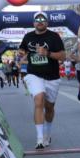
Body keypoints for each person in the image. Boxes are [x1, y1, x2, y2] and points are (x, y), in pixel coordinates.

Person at [18, 12, 66, 150]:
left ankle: (47, 134)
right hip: (34, 75)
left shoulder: (54, 37)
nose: (40, 22)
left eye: (43, 19)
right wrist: (21, 52)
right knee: (38, 99)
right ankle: (39, 138)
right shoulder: (28, 37)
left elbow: (63, 56)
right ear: (33, 23)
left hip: (52, 77)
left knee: (49, 108)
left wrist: (48, 53)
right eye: (37, 20)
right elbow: (23, 49)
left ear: (47, 22)